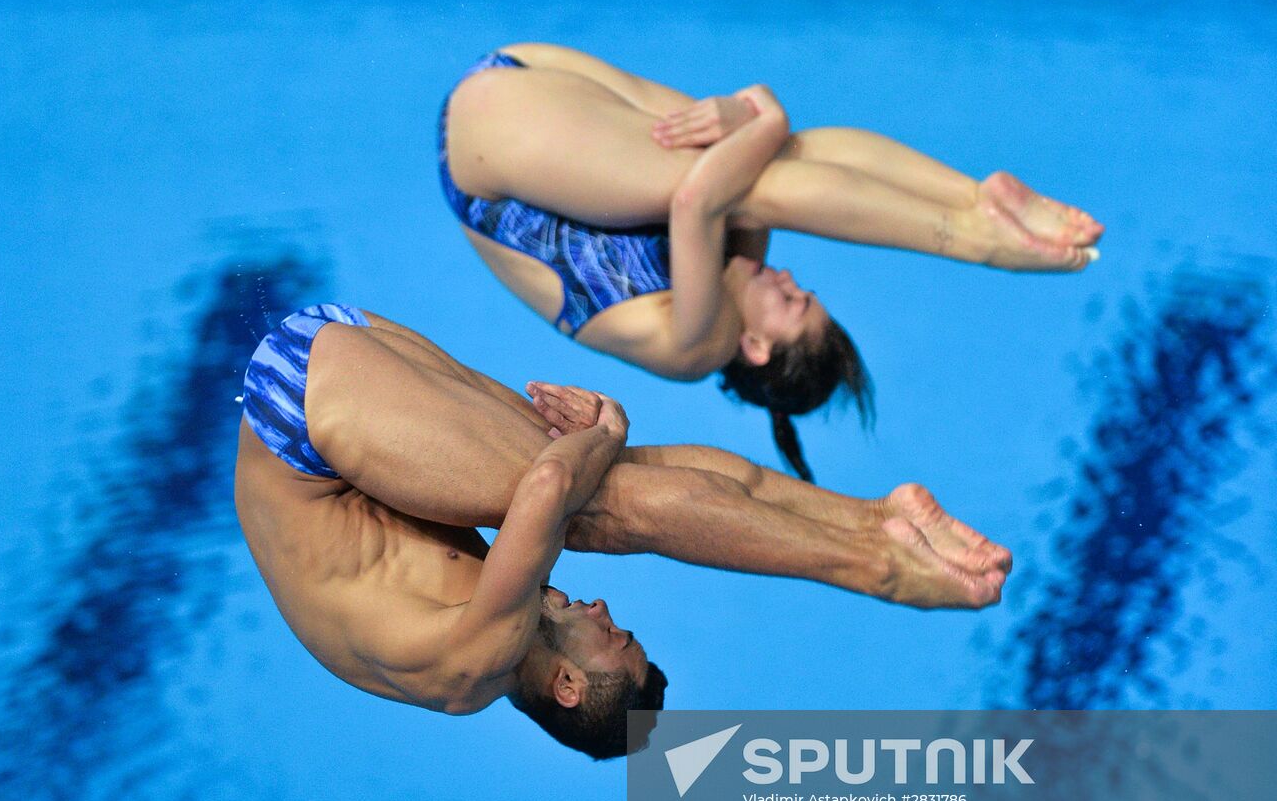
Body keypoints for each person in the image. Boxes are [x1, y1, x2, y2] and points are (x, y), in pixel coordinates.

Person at [234, 304, 1011, 758]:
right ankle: (870, 516)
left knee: (595, 504)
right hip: (326, 377)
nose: (606, 612)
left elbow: (549, 487)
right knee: (615, 482)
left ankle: (870, 563)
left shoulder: (477, 661)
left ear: (568, 686)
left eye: (615, 639)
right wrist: (604, 448)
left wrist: (606, 432)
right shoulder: (498, 635)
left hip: (302, 416)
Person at [438, 43, 1103, 481]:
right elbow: (746, 157)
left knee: (754, 179)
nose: (786, 278)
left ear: (754, 346)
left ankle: (977, 236)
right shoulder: (736, 271)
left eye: (791, 302)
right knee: (773, 163)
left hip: (488, 145)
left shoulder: (700, 347)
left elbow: (698, 201)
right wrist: (757, 120)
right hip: (526, 84)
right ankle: (973, 195)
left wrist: (763, 115)